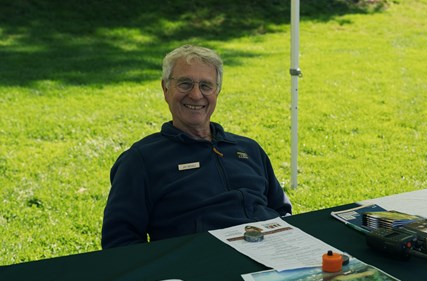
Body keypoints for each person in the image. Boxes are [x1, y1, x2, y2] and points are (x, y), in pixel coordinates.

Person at [102, 44, 292, 248]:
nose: (195, 95)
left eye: (205, 86)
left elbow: (282, 211)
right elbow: (120, 241)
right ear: (166, 89)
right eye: (185, 84)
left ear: (217, 92)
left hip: (274, 250)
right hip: (204, 260)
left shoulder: (248, 149)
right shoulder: (141, 159)